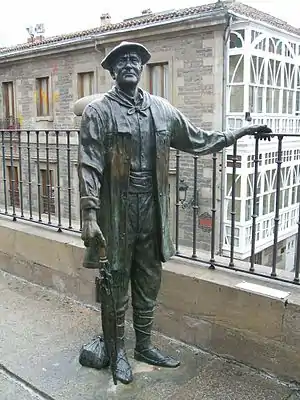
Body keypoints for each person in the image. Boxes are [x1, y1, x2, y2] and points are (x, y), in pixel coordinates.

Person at [77, 41, 272, 384]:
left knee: (149, 279)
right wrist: (90, 215)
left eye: (135, 60)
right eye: (121, 60)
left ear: (143, 68)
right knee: (116, 281)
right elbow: (89, 165)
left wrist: (239, 132)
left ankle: (145, 346)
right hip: (116, 214)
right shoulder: (99, 112)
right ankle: (118, 352)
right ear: (111, 69)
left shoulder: (162, 110)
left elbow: (199, 140)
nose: (129, 64)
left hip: (152, 211)